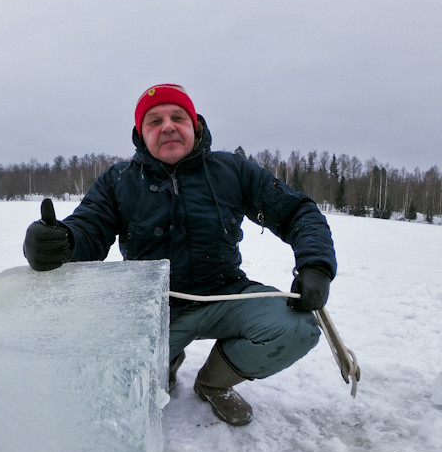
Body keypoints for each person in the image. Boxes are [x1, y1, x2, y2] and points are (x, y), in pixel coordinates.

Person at [24, 83, 336, 427]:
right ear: (141, 135)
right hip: (154, 308)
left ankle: (213, 382)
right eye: (154, 121)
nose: (168, 126)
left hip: (226, 294)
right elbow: (88, 229)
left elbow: (297, 212)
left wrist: (316, 264)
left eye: (177, 117)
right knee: (118, 385)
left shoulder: (233, 170)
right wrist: (62, 241)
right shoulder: (118, 181)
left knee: (297, 327)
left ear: (194, 126)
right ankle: (165, 364)